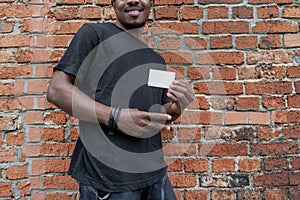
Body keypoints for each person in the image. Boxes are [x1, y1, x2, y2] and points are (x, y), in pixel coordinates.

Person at [46, 0, 194, 198]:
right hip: (109, 181)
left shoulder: (156, 60)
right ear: (113, 3)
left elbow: (155, 116)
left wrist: (175, 109)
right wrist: (114, 116)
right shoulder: (95, 34)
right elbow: (57, 90)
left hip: (156, 176)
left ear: (151, 2)